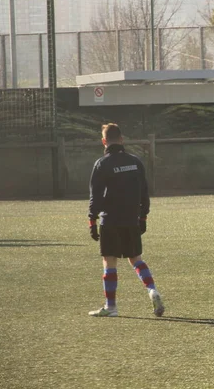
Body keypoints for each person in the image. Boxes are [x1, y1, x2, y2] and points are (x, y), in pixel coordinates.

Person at [87, 123, 165, 317]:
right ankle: (152, 289)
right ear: (122, 140)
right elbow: (144, 192)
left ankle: (111, 307)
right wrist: (143, 216)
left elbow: (95, 196)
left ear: (103, 141)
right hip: (131, 218)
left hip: (110, 220)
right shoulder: (135, 162)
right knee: (135, 259)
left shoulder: (101, 164)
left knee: (109, 261)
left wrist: (92, 220)